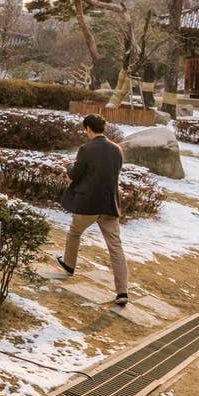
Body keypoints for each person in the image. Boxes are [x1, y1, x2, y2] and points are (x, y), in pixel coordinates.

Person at [54, 113, 130, 306]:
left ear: (88, 128)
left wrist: (69, 167)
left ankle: (69, 264)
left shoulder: (86, 149)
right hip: (109, 204)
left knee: (74, 233)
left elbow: (75, 174)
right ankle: (122, 292)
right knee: (115, 248)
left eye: (85, 130)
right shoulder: (117, 149)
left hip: (88, 204)